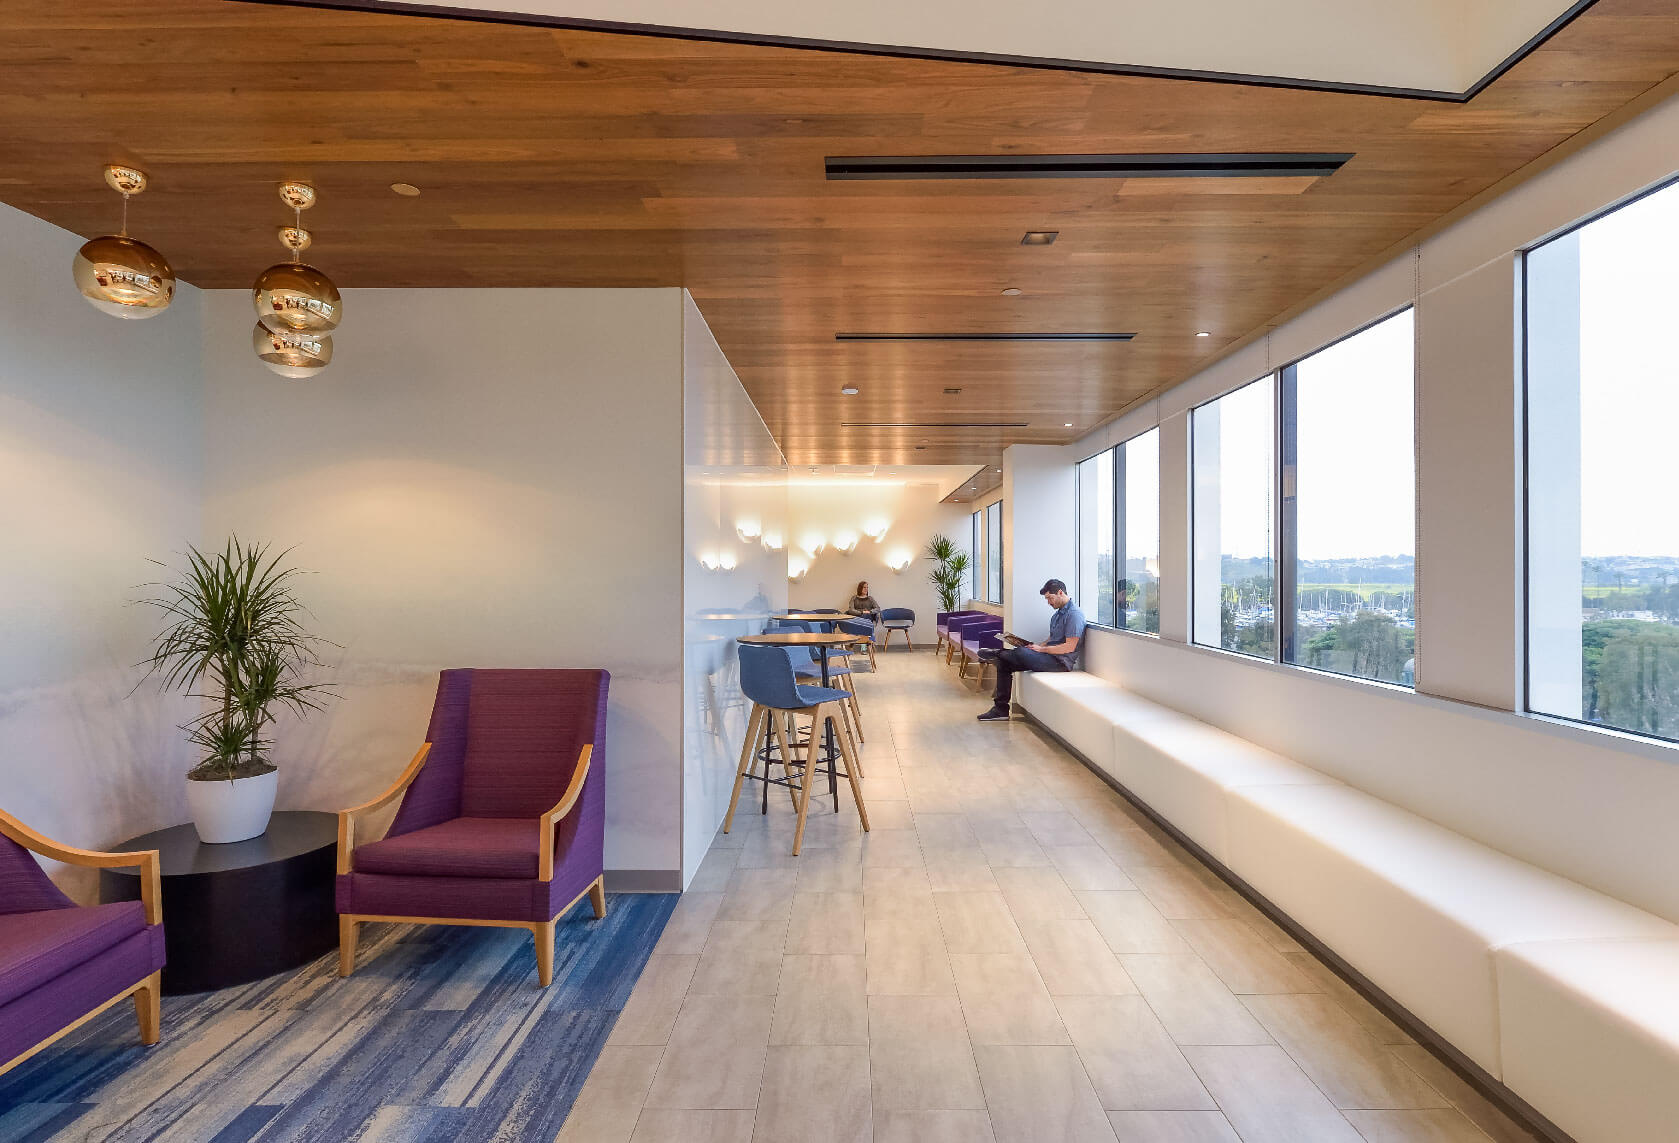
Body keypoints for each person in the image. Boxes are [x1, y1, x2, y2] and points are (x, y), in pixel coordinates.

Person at [977, 578, 1085, 721]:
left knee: (1018, 653)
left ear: (1060, 593)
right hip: (1049, 656)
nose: (1048, 602)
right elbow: (1051, 639)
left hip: (1060, 662)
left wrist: (1040, 650)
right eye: (1047, 599)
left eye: (1050, 598)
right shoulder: (1057, 615)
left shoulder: (1074, 615)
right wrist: (1037, 647)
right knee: (1004, 662)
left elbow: (1069, 647)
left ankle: (997, 653)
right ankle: (1000, 710)